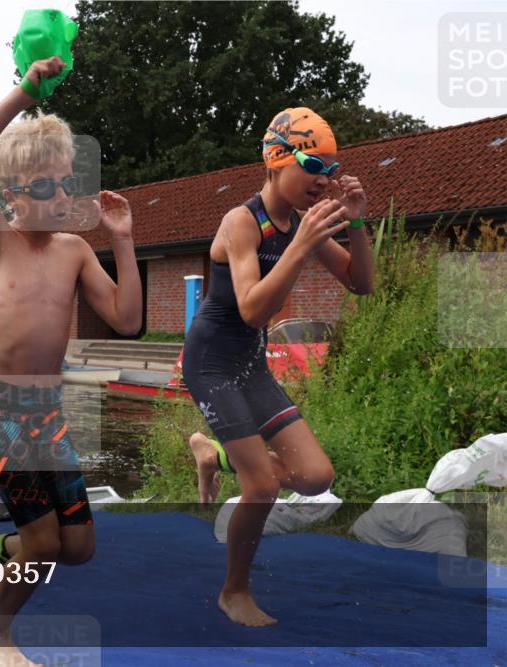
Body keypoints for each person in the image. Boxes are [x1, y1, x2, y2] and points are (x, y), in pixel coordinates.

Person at [0, 56, 142, 666]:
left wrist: (122, 241)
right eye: (43, 187)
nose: (61, 195)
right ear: (9, 196)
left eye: (66, 183)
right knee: (44, 543)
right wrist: (26, 92)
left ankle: (3, 551)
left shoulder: (74, 249)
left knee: (77, 547)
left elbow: (128, 320)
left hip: (46, 410)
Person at [181, 107, 374, 627]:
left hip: (250, 364)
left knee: (315, 476)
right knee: (263, 486)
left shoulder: (299, 225)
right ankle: (234, 592)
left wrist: (355, 221)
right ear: (276, 159)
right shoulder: (242, 222)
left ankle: (212, 454)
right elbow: (251, 309)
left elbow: (361, 283)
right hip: (211, 363)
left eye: (330, 170)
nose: (323, 180)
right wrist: (302, 245)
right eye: (313, 165)